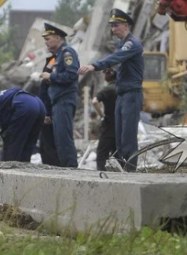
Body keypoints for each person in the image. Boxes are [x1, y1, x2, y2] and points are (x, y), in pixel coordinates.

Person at [79, 9, 144, 172]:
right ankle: (123, 169)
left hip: (131, 95)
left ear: (126, 25)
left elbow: (115, 58)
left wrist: (95, 65)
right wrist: (113, 73)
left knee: (128, 136)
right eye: (112, 27)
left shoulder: (131, 44)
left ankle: (130, 171)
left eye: (116, 26)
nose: (113, 30)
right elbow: (124, 67)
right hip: (122, 95)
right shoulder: (123, 45)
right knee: (120, 137)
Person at [39, 23, 79, 168]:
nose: (46, 42)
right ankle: (65, 168)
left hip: (64, 100)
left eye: (48, 39)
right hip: (57, 102)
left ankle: (71, 170)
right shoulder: (57, 56)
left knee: (64, 139)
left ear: (57, 37)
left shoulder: (67, 53)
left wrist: (51, 76)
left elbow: (71, 74)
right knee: (59, 140)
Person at [0, 87, 46, 163]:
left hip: (24, 106)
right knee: (27, 145)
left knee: (11, 147)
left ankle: (10, 173)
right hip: (39, 105)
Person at [36, 53, 60, 166]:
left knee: (49, 144)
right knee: (44, 145)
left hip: (48, 115)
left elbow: (50, 94)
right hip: (45, 112)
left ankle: (53, 168)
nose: (46, 42)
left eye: (48, 39)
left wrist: (48, 114)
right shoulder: (51, 61)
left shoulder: (56, 60)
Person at [93, 68, 118, 171]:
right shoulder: (121, 88)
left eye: (105, 73)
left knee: (102, 152)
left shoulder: (108, 89)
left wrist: (102, 115)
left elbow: (95, 101)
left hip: (108, 125)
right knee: (117, 153)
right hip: (120, 126)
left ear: (110, 74)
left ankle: (101, 173)